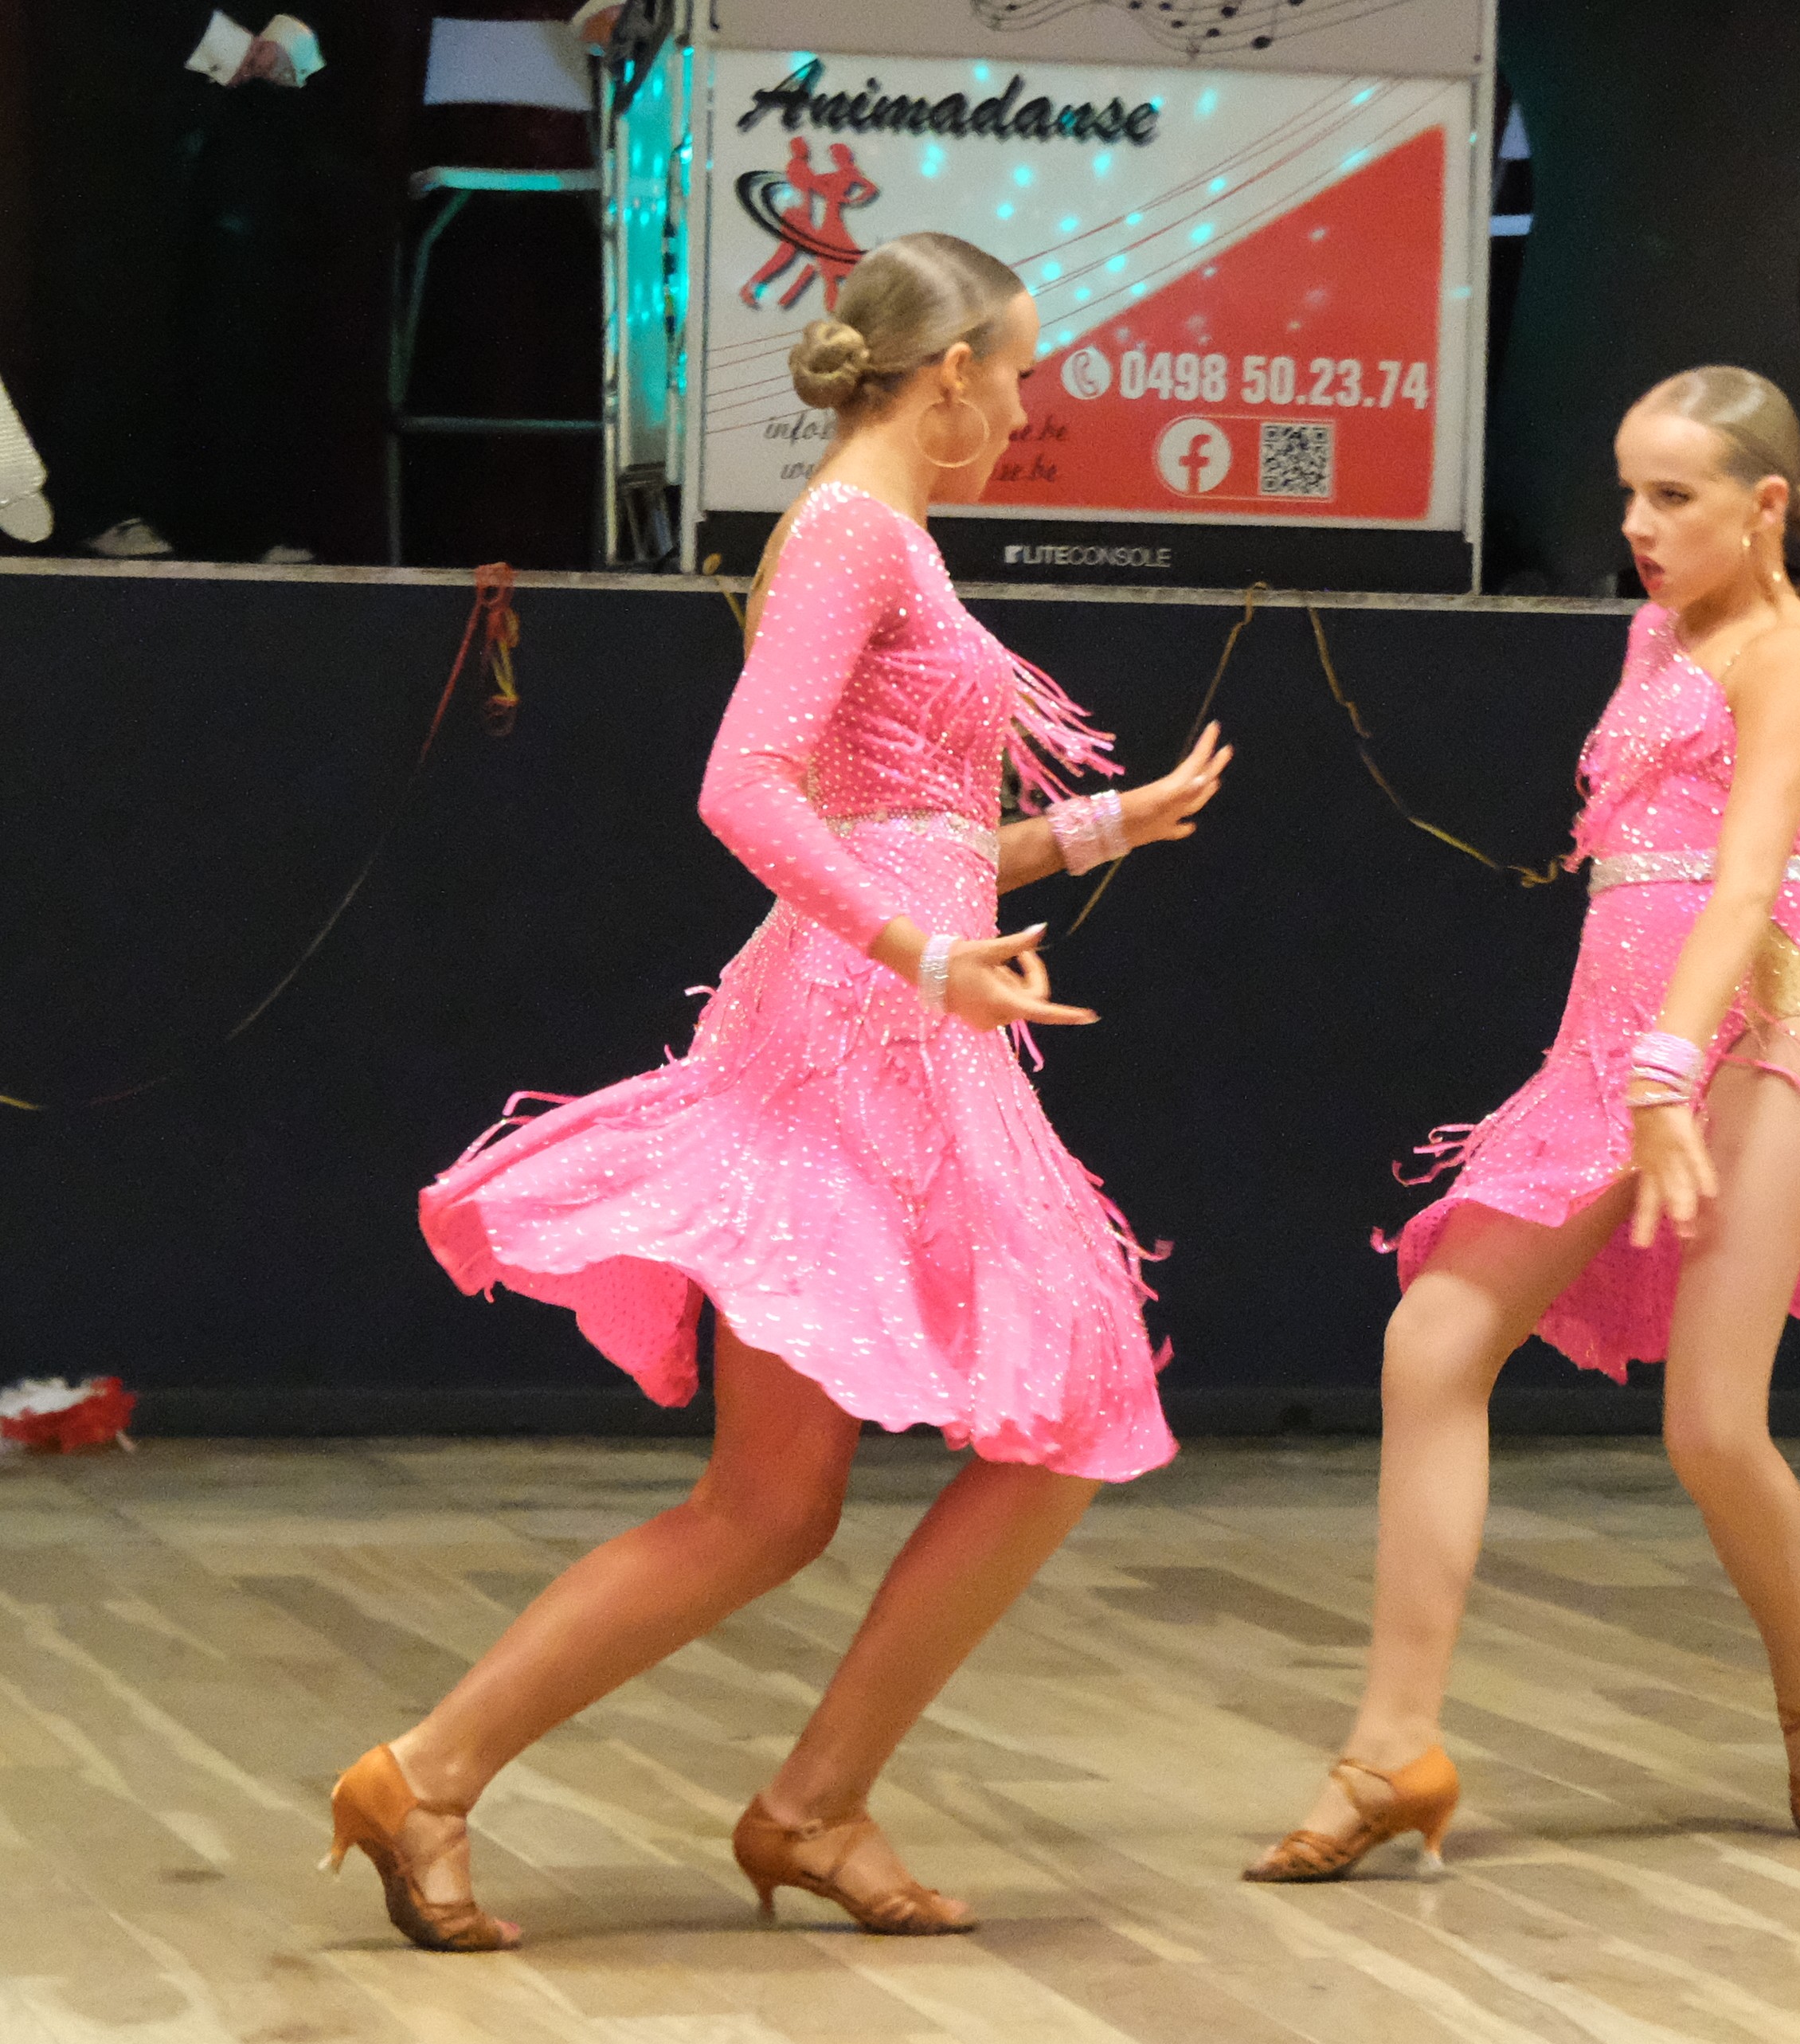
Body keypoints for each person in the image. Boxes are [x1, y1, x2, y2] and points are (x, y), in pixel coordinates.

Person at [324, 232, 1234, 1952]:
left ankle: (467, 1779)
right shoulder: (855, 534)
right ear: (950, 372)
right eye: (1019, 373)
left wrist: (1097, 829)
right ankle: (739, 1797)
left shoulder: (882, 536)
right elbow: (744, 788)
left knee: (797, 1498)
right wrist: (919, 952)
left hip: (898, 1022)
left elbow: (907, 828)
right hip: (855, 1040)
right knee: (1011, 1424)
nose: (1027, 407)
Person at [1248, 368, 1800, 1881]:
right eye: (1628, 496)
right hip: (1611, 1047)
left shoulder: (1793, 654)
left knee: (1711, 1427)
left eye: (1673, 497)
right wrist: (1629, 1061)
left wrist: (1666, 1066)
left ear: (1764, 505)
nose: (1639, 528)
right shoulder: (1655, 630)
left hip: (1758, 1037)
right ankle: (1392, 1747)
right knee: (1431, 1343)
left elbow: (1745, 882)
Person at [28, 7, 326, 561]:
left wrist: (287, 35)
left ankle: (239, 519)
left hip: (260, 96)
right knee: (125, 298)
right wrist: (218, 40)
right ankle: (108, 507)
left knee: (240, 304)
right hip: (130, 85)